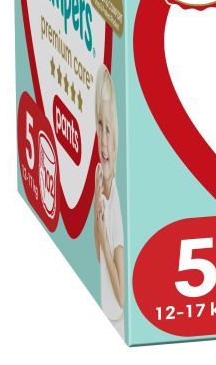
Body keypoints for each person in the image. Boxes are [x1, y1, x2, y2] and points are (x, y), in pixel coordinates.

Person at [93, 64, 125, 335]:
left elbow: (122, 297)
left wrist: (103, 236)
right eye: (99, 125)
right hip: (103, 316)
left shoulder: (116, 203)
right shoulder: (100, 184)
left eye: (109, 130)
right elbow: (98, 260)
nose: (103, 142)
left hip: (118, 324)